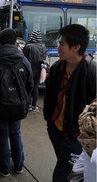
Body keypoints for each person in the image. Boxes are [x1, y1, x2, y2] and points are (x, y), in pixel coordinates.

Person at [43, 24, 96, 182]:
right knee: (66, 165)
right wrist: (50, 121)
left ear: (76, 48)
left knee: (61, 175)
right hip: (56, 130)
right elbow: (50, 96)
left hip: (76, 136)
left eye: (62, 44)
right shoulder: (57, 68)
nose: (58, 47)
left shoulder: (91, 72)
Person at [0, 28, 33, 177]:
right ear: (15, 42)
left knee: (2, 135)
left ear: (0, 42)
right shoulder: (24, 61)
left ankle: (3, 167)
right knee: (15, 133)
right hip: (18, 107)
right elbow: (30, 85)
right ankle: (19, 164)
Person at [23, 30, 46, 111]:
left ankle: (28, 104)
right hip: (39, 69)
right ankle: (34, 105)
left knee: (28, 86)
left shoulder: (28, 46)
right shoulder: (42, 46)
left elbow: (24, 58)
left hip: (30, 68)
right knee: (35, 87)